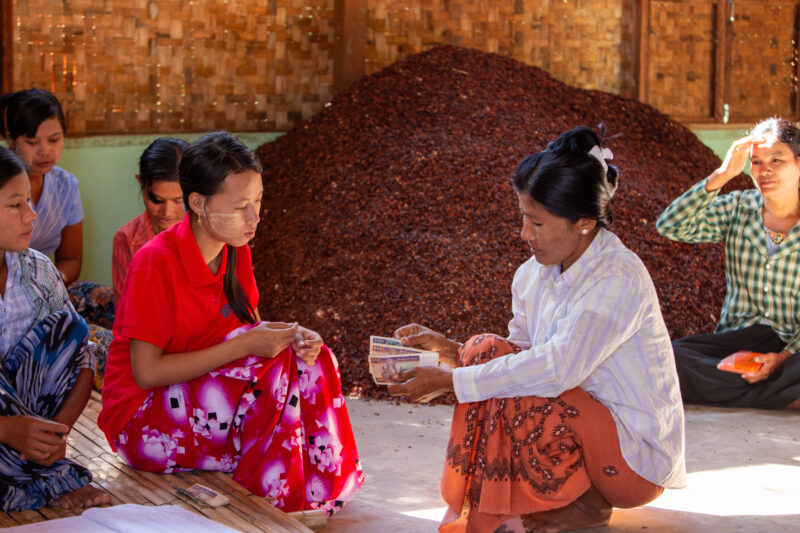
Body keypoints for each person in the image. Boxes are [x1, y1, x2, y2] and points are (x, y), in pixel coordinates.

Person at [388, 126, 686, 533]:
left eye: (537, 223)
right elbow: (519, 354)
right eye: (523, 218)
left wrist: (452, 381)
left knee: (496, 379)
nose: (525, 234)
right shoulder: (533, 273)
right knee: (483, 350)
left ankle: (579, 502)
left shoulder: (617, 278)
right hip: (579, 419)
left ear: (583, 222)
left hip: (630, 459)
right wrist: (453, 351)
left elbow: (555, 370)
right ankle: (519, 504)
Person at [98, 132, 363, 516]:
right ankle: (274, 496)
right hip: (141, 423)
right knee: (273, 375)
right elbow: (146, 372)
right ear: (198, 203)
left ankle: (318, 486)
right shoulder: (155, 262)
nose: (254, 218)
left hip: (196, 396)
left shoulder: (235, 251)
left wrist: (293, 336)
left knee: (313, 360)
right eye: (241, 206)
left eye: (257, 202)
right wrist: (247, 346)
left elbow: (247, 334)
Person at [656, 117, 800, 410]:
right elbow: (670, 226)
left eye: (777, 159)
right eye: (756, 162)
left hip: (793, 345)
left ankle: (764, 389)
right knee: (670, 357)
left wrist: (783, 357)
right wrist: (722, 174)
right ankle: (785, 397)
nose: (765, 170)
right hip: (739, 340)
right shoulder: (738, 207)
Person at [0, 146, 110, 510]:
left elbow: (83, 359)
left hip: (35, 427)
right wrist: (8, 430)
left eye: (29, 201)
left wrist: (54, 434)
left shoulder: (38, 270)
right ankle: (42, 478)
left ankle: (32, 469)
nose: (31, 216)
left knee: (68, 327)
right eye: (15, 205)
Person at [1, 89, 82, 284]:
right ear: (11, 139)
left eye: (54, 140)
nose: (45, 151)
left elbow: (71, 260)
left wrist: (49, 284)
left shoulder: (66, 186)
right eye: (32, 142)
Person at [112, 137, 187, 308]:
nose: (167, 213)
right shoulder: (127, 240)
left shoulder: (209, 233)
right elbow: (126, 313)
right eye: (157, 199)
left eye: (178, 200)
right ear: (140, 183)